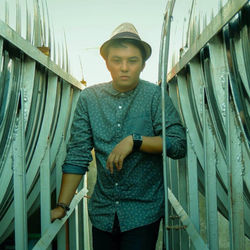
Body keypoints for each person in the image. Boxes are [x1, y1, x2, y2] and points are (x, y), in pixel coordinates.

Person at [51, 23, 186, 250]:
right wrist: (62, 205)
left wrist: (136, 141)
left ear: (143, 65)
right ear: (106, 63)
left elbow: (178, 144)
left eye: (132, 61)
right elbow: (78, 153)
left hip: (143, 212)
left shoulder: (155, 96)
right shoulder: (89, 99)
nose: (124, 67)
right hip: (103, 212)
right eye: (117, 60)